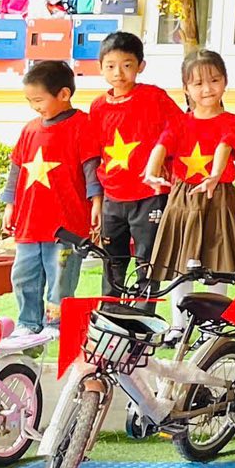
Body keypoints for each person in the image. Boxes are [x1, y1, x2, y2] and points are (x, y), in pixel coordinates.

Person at [1, 60, 99, 343]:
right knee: (24, 275)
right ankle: (28, 322)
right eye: (30, 101)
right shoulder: (30, 130)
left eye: (39, 100)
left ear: (64, 94)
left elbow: (91, 168)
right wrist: (10, 205)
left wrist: (96, 202)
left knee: (61, 276)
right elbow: (16, 169)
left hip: (66, 227)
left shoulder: (82, 125)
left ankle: (55, 324)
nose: (35, 107)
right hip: (30, 223)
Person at [146, 49, 235, 279]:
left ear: (225, 81)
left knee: (220, 264)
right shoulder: (179, 122)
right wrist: (151, 171)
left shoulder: (232, 121)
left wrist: (214, 176)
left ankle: (218, 304)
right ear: (186, 88)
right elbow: (162, 145)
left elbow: (224, 145)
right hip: (183, 196)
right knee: (178, 265)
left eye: (214, 80)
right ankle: (179, 305)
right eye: (198, 83)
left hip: (219, 195)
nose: (207, 89)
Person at [86, 30, 175, 296]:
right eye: (110, 66)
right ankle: (111, 312)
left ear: (140, 66)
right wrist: (96, 199)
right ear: (100, 68)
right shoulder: (98, 107)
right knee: (112, 261)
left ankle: (143, 314)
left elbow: (178, 130)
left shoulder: (154, 97)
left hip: (149, 195)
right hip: (113, 197)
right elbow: (93, 153)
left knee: (147, 261)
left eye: (127, 65)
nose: (118, 73)